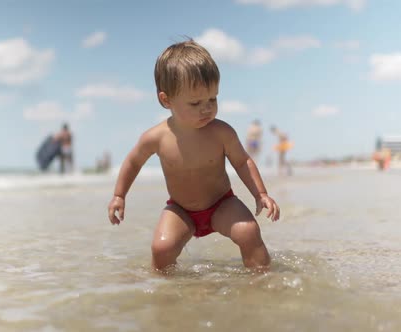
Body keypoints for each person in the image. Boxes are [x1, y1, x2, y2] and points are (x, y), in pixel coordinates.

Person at [107, 40, 280, 272]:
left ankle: (263, 280)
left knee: (248, 231)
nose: (207, 108)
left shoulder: (222, 132)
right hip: (181, 210)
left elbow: (242, 161)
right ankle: (165, 293)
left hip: (222, 204)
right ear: (166, 100)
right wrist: (119, 195)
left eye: (213, 99)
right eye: (196, 102)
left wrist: (260, 194)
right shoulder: (156, 137)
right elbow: (133, 161)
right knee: (161, 248)